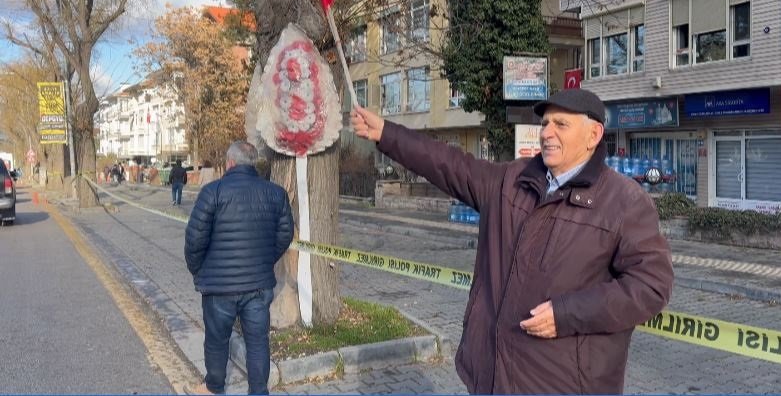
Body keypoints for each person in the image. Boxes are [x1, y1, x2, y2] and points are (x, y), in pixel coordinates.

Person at [351, 89, 673, 394]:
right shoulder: (509, 181)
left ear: (593, 136)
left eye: (561, 124)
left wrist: (567, 314)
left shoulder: (625, 203)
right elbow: (446, 163)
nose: (547, 133)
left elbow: (651, 286)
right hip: (491, 375)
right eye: (545, 124)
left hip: (563, 384)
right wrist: (386, 133)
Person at [184, 141, 294, 395]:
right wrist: (266, 260)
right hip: (258, 285)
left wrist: (199, 270)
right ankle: (258, 391)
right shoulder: (276, 193)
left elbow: (194, 239)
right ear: (252, 163)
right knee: (257, 342)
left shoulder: (212, 192)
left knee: (216, 339)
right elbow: (285, 233)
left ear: (230, 163)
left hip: (218, 286)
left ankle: (213, 387)